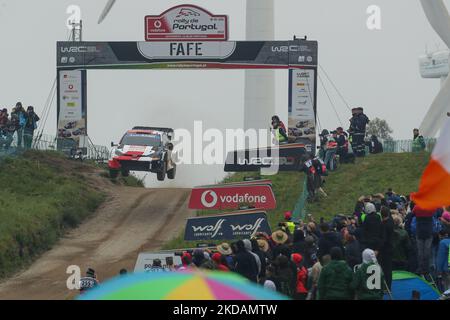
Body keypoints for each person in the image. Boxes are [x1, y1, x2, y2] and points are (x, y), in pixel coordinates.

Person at [413, 206, 435, 275]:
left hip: (419, 232)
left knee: (420, 252)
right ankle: (426, 269)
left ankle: (421, 268)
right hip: (428, 232)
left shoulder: (417, 207)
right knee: (427, 252)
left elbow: (412, 212)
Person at [379, 206, 395, 289]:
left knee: (385, 269)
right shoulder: (391, 221)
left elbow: (383, 239)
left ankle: (386, 287)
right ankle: (389, 286)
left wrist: (378, 248)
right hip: (391, 248)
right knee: (389, 269)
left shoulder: (383, 224)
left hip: (385, 250)